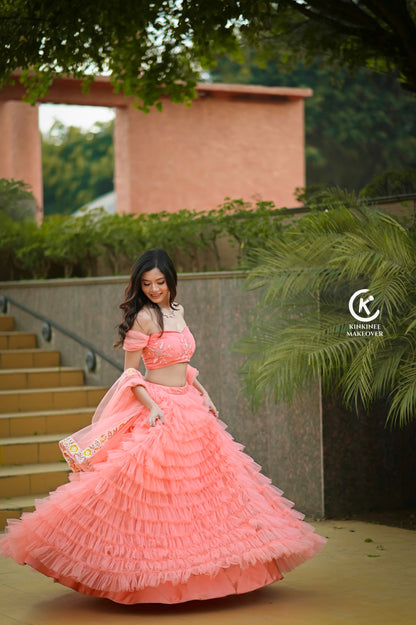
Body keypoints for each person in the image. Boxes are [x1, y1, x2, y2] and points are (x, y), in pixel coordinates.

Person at [0, 248, 326, 604]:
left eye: (160, 282)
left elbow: (181, 361)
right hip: (159, 407)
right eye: (147, 283)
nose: (154, 289)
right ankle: (147, 579)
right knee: (152, 495)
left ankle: (208, 573)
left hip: (191, 405)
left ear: (171, 281)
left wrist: (204, 391)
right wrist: (152, 405)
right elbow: (129, 373)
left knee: (204, 496)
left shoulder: (177, 312)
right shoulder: (143, 318)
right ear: (139, 286)